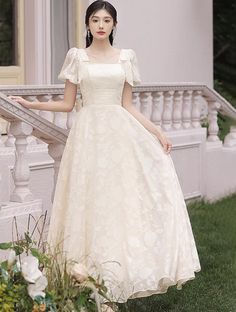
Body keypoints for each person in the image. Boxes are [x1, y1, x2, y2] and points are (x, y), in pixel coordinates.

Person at [9, 0, 201, 306]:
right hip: (88, 137)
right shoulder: (77, 57)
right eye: (95, 19)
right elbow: (67, 104)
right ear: (87, 24)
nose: (101, 25)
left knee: (118, 202)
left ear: (114, 25)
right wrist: (32, 105)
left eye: (106, 20)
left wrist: (158, 131)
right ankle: (85, 279)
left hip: (119, 134)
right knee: (89, 201)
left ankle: (116, 276)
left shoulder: (126, 58)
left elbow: (128, 105)